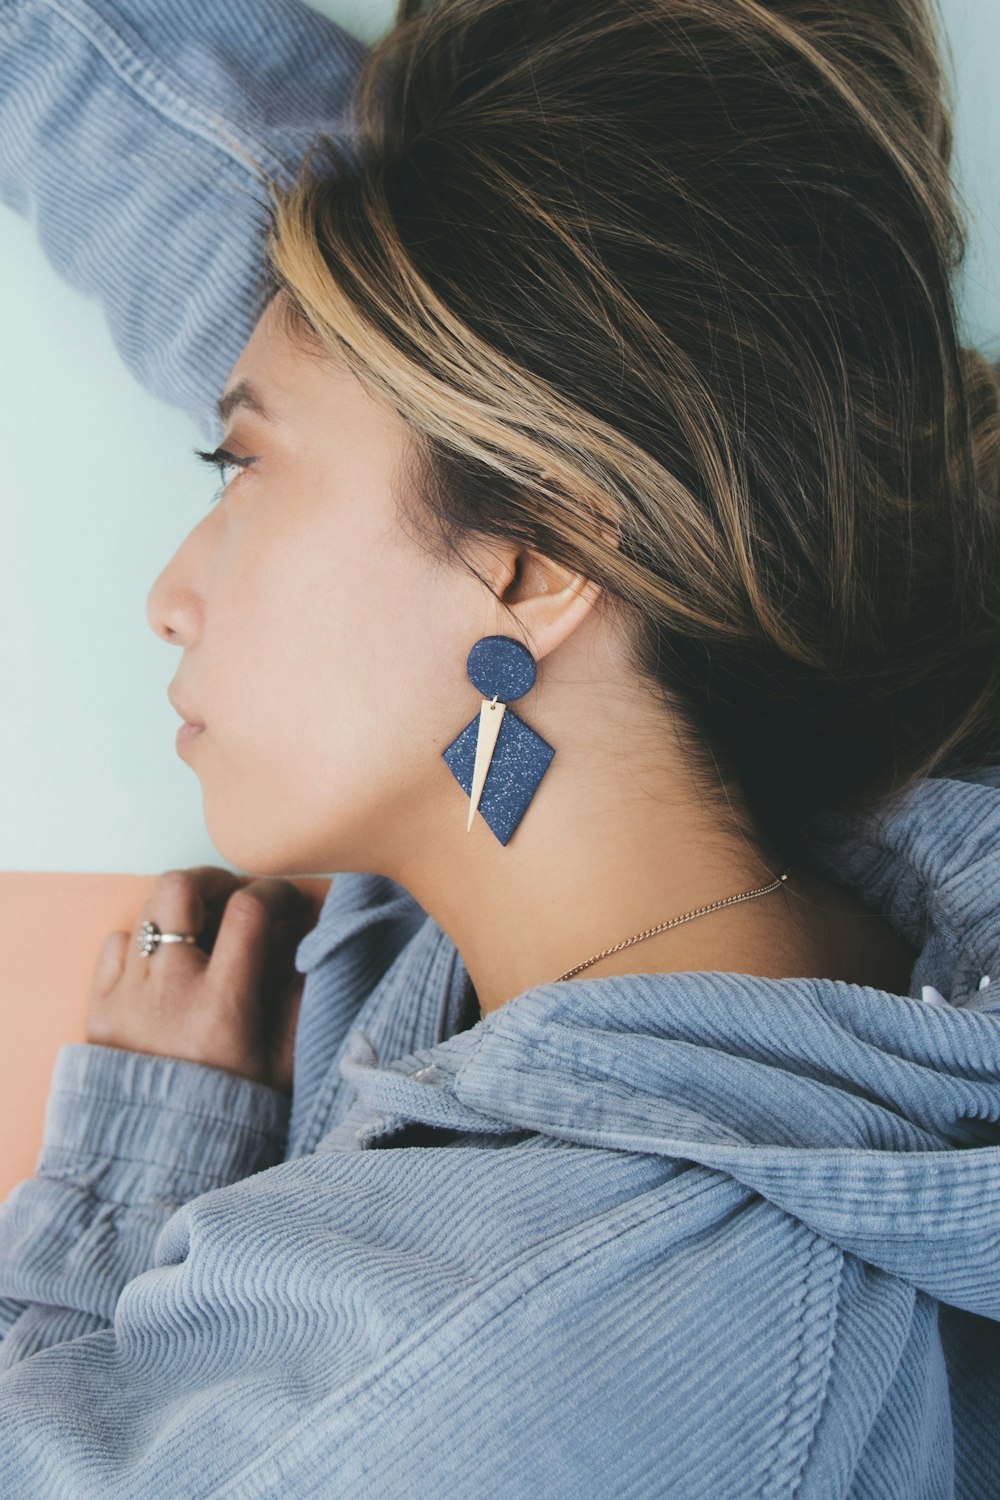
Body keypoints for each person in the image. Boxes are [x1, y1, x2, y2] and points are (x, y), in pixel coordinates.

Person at [1, 0, 998, 1493]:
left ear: (535, 561)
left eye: (240, 466)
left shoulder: (459, 1393)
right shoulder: (800, 757)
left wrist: (134, 1179)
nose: (169, 595)